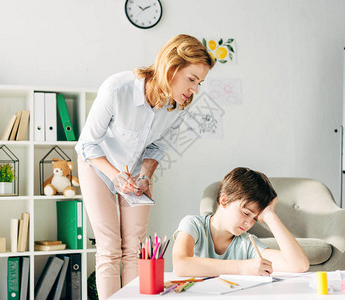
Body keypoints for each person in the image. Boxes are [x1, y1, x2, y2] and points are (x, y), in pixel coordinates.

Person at [75, 34, 215, 299]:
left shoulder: (179, 105)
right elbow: (87, 144)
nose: (194, 90)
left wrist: (146, 176)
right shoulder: (117, 89)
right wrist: (116, 176)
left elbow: (157, 147)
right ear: (172, 67)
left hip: (135, 173)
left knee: (134, 248)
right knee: (109, 248)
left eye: (200, 83)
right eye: (192, 79)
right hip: (97, 166)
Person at [172, 167, 309, 277]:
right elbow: (181, 265)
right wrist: (242, 267)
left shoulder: (247, 244)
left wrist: (269, 215)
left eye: (255, 219)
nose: (249, 224)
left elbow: (298, 265)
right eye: (246, 213)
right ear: (224, 200)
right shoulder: (193, 225)